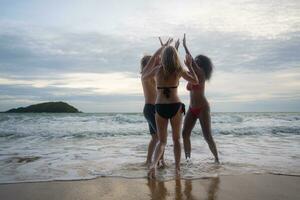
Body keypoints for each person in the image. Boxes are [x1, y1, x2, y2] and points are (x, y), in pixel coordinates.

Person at [142, 37, 199, 178]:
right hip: (175, 106)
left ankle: (153, 165)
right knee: (176, 140)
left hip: (160, 107)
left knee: (161, 141)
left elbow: (143, 75)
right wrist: (190, 65)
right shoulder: (179, 71)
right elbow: (196, 81)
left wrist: (159, 50)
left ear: (163, 57)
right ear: (175, 57)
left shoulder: (157, 70)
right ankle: (178, 169)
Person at [181, 34, 219, 163]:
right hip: (192, 108)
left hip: (202, 107)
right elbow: (187, 64)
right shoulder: (191, 74)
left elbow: (190, 60)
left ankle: (217, 160)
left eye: (198, 61)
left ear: (202, 65)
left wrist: (185, 46)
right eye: (195, 61)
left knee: (207, 136)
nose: (195, 62)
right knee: (185, 134)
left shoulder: (201, 73)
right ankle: (188, 160)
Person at [140, 55, 165, 167]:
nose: (156, 62)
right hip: (151, 109)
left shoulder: (151, 75)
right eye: (153, 61)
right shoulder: (147, 75)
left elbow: (163, 67)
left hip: (151, 108)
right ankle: (160, 161)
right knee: (161, 138)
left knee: (155, 138)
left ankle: (148, 160)